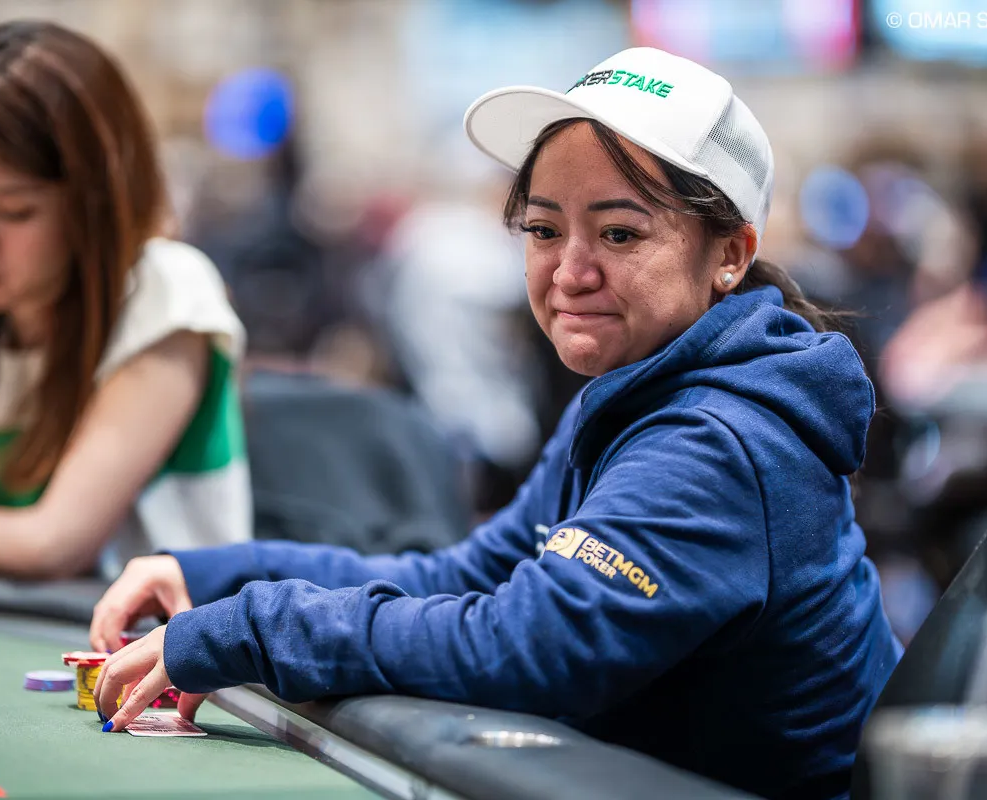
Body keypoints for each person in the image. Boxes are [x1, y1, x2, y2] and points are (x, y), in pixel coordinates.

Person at [91, 47, 901, 799]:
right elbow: (470, 573)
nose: (569, 272)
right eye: (544, 230)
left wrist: (252, 629)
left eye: (619, 233)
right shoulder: (630, 392)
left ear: (729, 254)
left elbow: (524, 648)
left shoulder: (720, 441)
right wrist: (218, 576)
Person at [0, 21, 250, 578]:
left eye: (15, 211)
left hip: (160, 634)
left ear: (93, 205)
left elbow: (56, 542)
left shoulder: (168, 295)